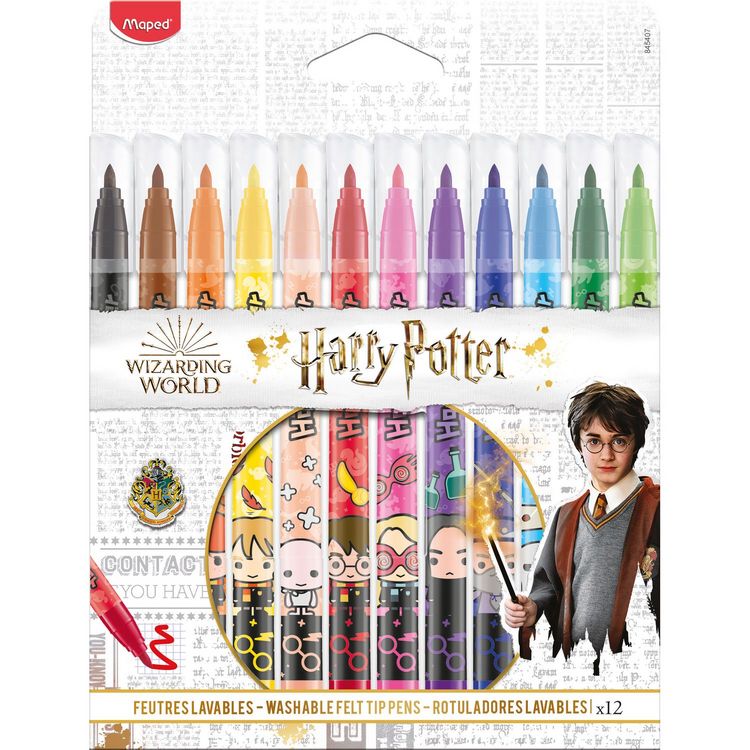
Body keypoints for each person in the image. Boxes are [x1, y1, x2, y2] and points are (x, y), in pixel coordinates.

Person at [504, 382, 659, 674]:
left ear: (636, 443)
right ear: (579, 445)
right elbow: (548, 585)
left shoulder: (658, 508)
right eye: (594, 441)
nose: (606, 455)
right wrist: (531, 608)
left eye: (619, 441)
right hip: (576, 666)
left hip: (639, 668)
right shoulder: (566, 515)